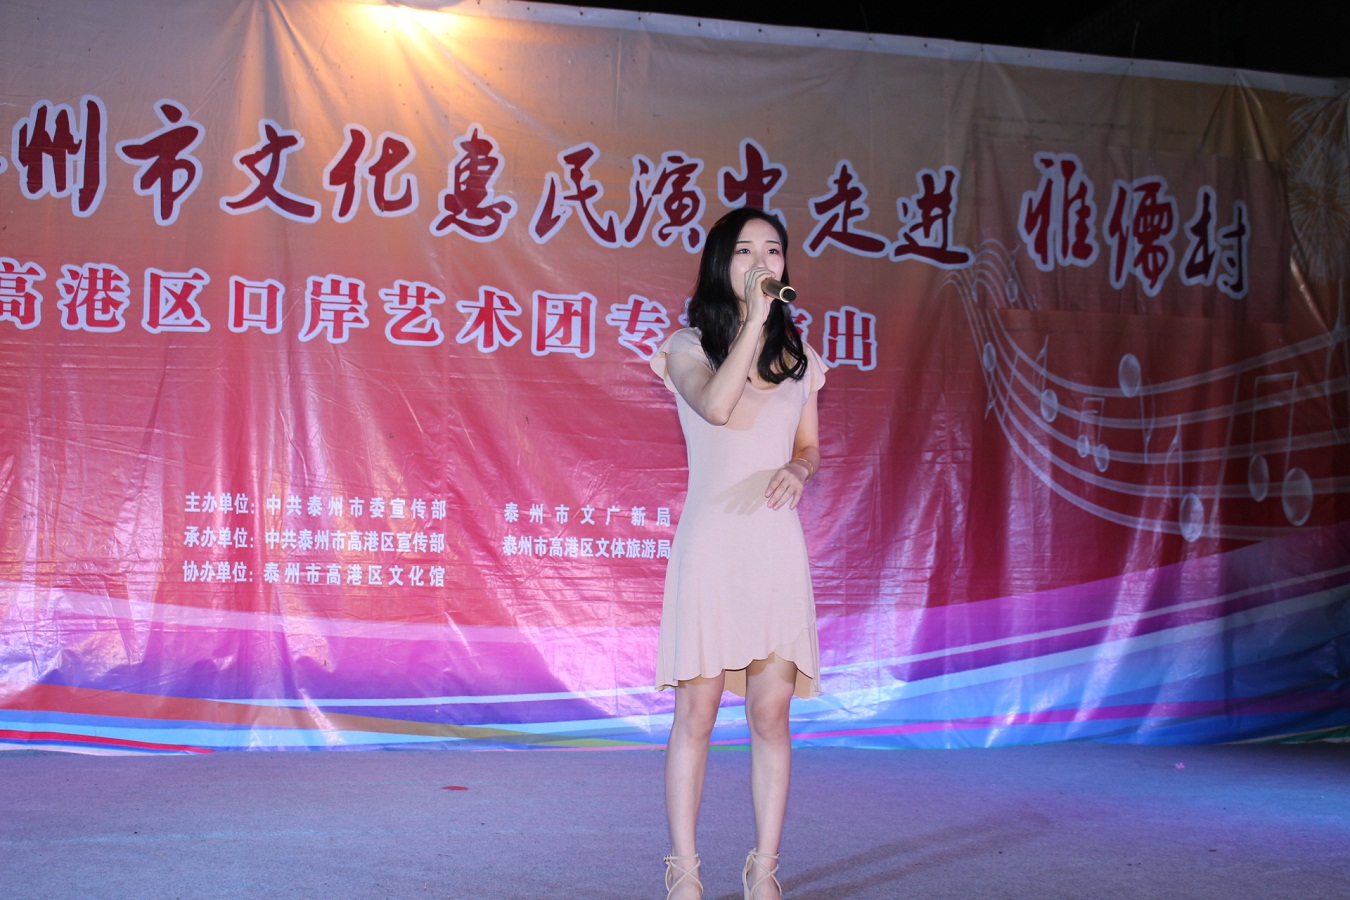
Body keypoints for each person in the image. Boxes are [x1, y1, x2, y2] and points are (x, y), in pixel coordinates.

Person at [649, 207, 825, 900]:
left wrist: (800, 469)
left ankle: (764, 869)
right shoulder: (687, 347)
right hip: (713, 547)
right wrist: (754, 320)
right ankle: (684, 870)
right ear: (722, 263)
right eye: (746, 250)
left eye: (773, 251)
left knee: (770, 712)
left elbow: (809, 445)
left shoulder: (800, 358)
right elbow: (718, 408)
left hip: (775, 547)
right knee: (696, 713)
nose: (762, 261)